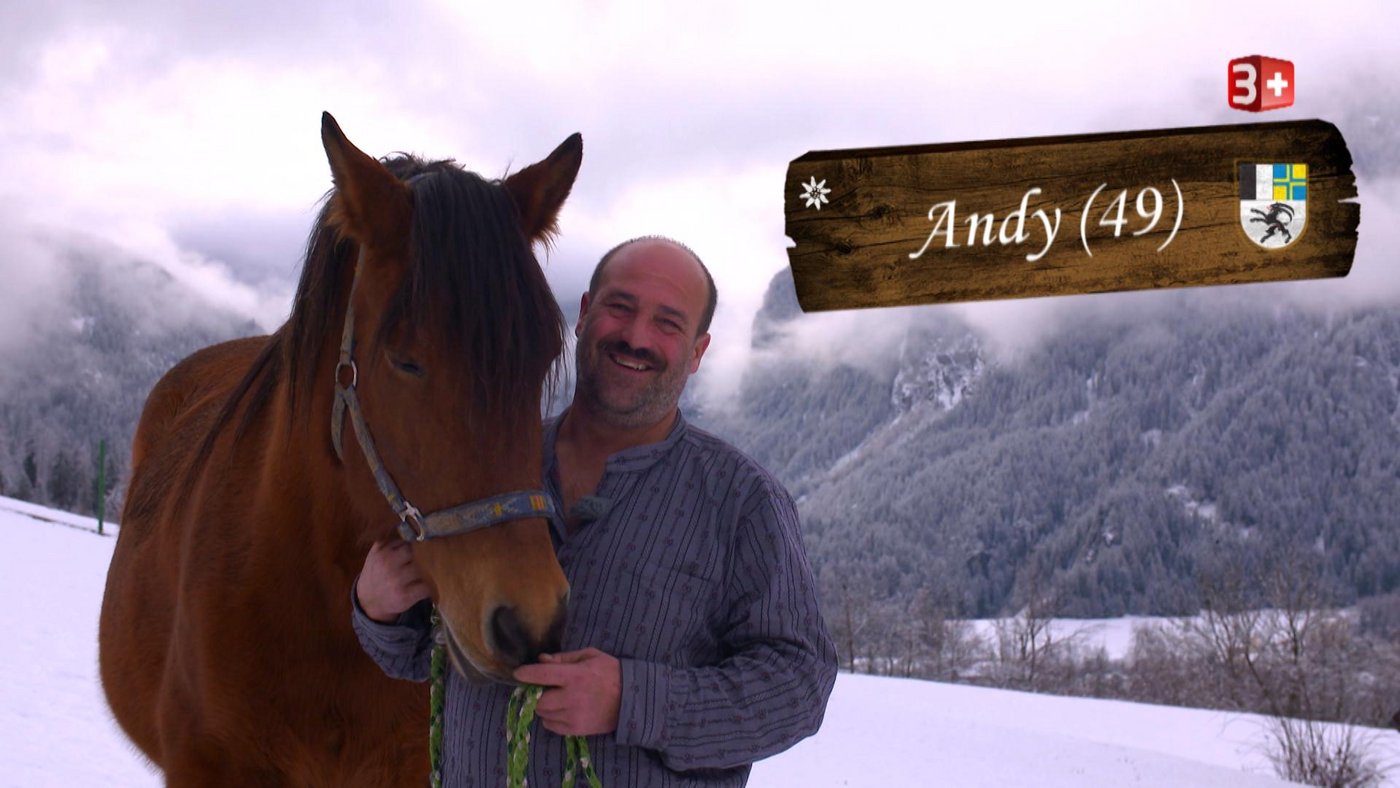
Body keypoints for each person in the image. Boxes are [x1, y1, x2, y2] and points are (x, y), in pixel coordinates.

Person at [353, 236, 837, 786]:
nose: (636, 336)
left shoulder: (743, 502)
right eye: (620, 308)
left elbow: (797, 688)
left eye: (668, 323)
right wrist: (379, 611)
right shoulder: (481, 471)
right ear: (584, 315)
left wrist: (632, 701)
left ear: (698, 351)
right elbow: (430, 655)